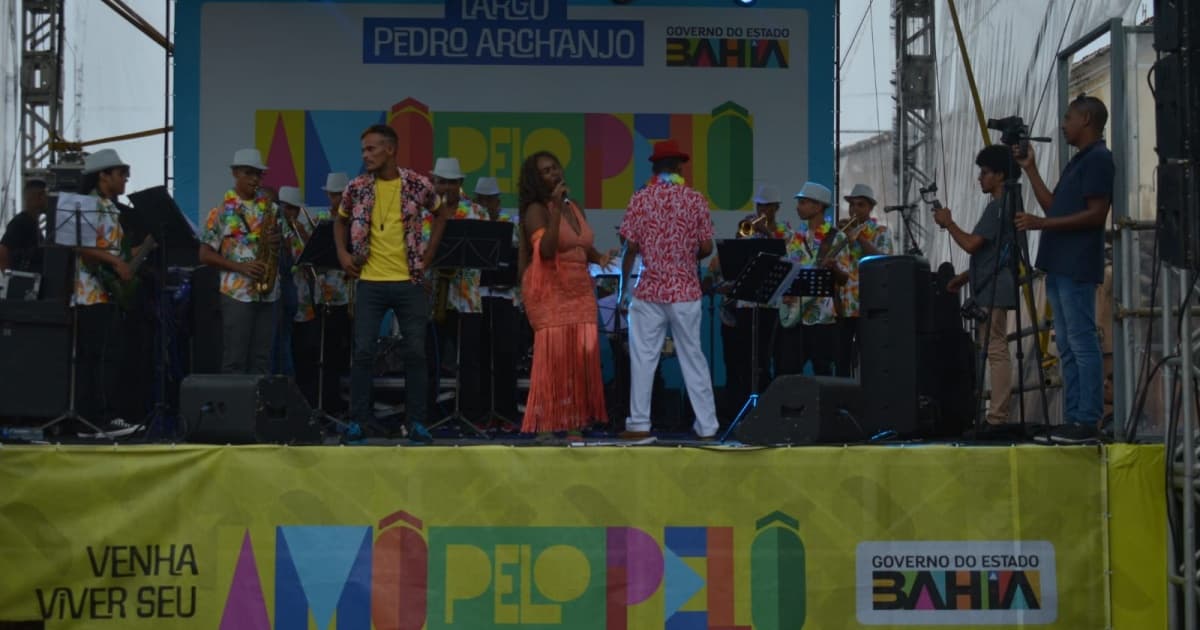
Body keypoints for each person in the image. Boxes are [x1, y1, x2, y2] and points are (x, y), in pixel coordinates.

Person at [334, 124, 453, 443]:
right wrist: (343, 253)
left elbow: (441, 214)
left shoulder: (417, 184)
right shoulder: (357, 186)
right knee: (362, 353)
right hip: (370, 282)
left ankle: (416, 422)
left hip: (409, 281)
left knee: (415, 352)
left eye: (371, 149)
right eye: (363, 150)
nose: (365, 155)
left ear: (390, 149)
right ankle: (359, 420)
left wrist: (428, 255)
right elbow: (340, 218)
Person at [1014, 94, 1115, 443]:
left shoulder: (1099, 159)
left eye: (1068, 117)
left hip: (1076, 264)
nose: (1063, 123)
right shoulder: (1078, 162)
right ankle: (1074, 418)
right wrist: (1030, 169)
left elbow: (1096, 213)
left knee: (1082, 341)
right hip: (1059, 264)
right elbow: (1055, 207)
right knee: (1069, 346)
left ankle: (1087, 420)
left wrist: (1043, 225)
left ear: (1086, 119)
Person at [618, 139, 718, 440]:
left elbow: (630, 248)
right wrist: (685, 257)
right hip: (685, 290)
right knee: (693, 357)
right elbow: (706, 247)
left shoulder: (640, 199)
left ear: (654, 167)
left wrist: (624, 289)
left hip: (649, 290)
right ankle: (707, 426)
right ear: (678, 167)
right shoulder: (696, 200)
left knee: (644, 358)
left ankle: (638, 424)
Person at [518, 150, 610, 438]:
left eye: (555, 167)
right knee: (555, 360)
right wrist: (556, 209)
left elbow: (580, 244)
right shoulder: (536, 210)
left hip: (580, 290)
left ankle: (574, 424)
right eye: (546, 171)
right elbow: (546, 251)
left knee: (581, 359)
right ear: (536, 179)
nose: (554, 173)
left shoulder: (575, 206)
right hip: (550, 291)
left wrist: (600, 258)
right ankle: (545, 426)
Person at [934, 145, 1020, 426]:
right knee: (994, 348)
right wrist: (964, 277)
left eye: (984, 173)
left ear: (999, 175)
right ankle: (997, 413)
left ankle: (997, 416)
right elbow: (994, 254)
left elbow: (972, 244)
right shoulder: (1005, 205)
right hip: (988, 284)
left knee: (995, 350)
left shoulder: (999, 207)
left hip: (994, 289)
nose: (979, 178)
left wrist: (949, 223)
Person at [72, 149, 145, 438]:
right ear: (104, 175)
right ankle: (95, 420)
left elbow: (122, 253)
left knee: (110, 356)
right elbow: (80, 245)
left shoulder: (110, 208)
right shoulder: (88, 204)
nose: (126, 178)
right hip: (90, 292)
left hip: (109, 292)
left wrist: (149, 244)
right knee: (98, 357)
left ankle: (102, 417)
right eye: (121, 173)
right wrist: (116, 262)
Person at [199, 148, 283, 376]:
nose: (255, 179)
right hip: (237, 293)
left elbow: (282, 251)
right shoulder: (220, 212)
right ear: (235, 173)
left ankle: (259, 410)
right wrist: (240, 267)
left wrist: (277, 242)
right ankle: (235, 411)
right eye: (249, 173)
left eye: (258, 174)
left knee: (263, 359)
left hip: (268, 292)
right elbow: (205, 254)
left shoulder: (272, 209)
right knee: (235, 358)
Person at [709, 184, 787, 411]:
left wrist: (768, 233)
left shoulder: (785, 230)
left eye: (767, 206)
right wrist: (741, 234)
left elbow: (785, 256)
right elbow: (734, 259)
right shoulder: (747, 228)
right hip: (744, 303)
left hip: (769, 303)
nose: (762, 210)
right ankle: (742, 408)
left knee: (763, 359)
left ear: (776, 208)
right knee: (743, 359)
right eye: (759, 205)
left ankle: (766, 408)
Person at [426, 157, 489, 423]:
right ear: (433, 182)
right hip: (432, 298)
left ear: (460, 184)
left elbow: (487, 252)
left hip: (466, 299)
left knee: (470, 361)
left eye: (451, 182)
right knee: (428, 359)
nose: (445, 188)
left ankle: (470, 415)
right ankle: (426, 414)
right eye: (441, 182)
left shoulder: (477, 213)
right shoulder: (422, 214)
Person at [776, 182, 849, 377]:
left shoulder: (837, 238)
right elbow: (786, 273)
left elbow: (844, 279)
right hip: (795, 316)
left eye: (803, 202)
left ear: (818, 206)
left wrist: (834, 268)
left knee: (823, 372)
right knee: (787, 371)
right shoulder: (793, 238)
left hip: (823, 318)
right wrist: (786, 293)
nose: (798, 206)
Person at [474, 176, 520, 428]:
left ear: (497, 201)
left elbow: (521, 258)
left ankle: (507, 413)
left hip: (506, 297)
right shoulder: (471, 222)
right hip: (478, 298)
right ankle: (482, 413)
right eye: (482, 200)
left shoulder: (511, 224)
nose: (487, 204)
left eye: (491, 199)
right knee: (480, 358)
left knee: (506, 357)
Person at [834, 184, 892, 376]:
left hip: (868, 305)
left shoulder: (881, 232)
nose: (854, 209)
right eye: (852, 205)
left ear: (870, 208)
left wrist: (859, 239)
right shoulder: (841, 234)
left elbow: (883, 260)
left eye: (860, 205)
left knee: (869, 359)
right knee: (841, 360)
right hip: (844, 306)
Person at [0, 178, 49, 273]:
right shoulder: (19, 222)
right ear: (37, 197)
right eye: (44, 195)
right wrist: (10, 279)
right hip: (26, 281)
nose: (46, 199)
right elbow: (2, 251)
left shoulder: (44, 220)